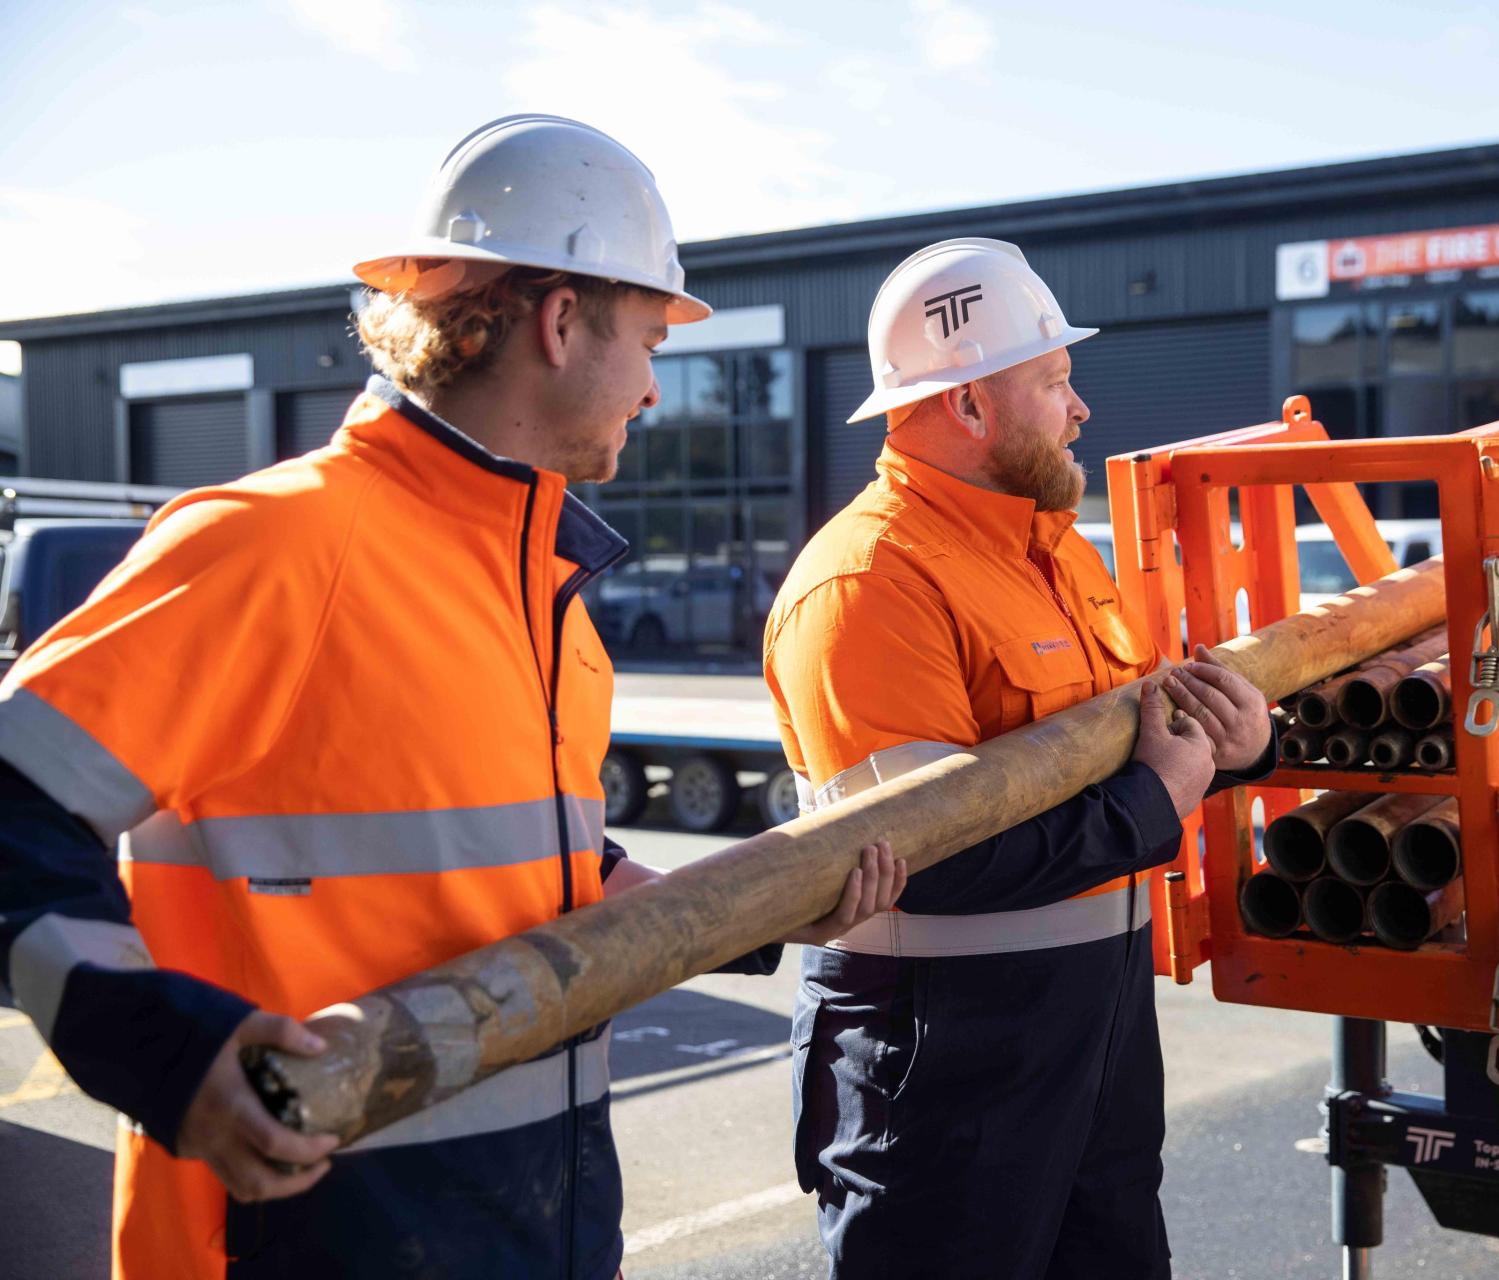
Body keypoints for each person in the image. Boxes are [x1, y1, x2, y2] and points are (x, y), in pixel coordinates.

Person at [0, 114, 903, 1280]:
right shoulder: (281, 543)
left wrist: (763, 902)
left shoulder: (550, 600)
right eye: (647, 341)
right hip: (309, 1235)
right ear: (560, 321)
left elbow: (547, 885)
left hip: (542, 1222)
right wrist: (171, 1057)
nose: (653, 391)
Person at [763, 237, 1279, 1279]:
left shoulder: (1055, 552)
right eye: (1053, 380)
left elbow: (1132, 758)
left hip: (1094, 1045)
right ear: (967, 406)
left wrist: (1239, 751)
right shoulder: (868, 583)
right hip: (942, 1074)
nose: (1080, 406)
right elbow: (931, 855)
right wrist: (1159, 798)